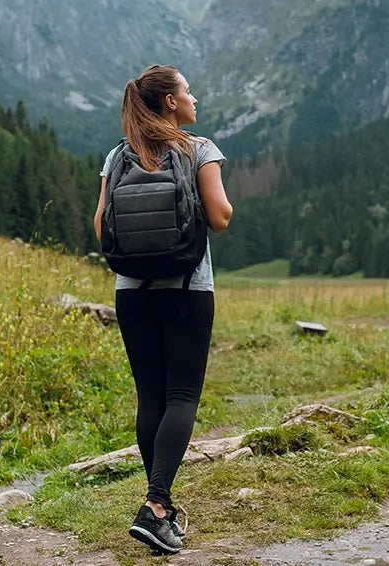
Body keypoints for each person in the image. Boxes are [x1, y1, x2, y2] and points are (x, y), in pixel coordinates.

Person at [92, 64, 233, 555]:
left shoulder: (118, 154)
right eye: (188, 91)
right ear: (170, 102)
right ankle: (155, 506)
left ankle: (162, 508)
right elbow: (219, 217)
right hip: (187, 287)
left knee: (150, 397)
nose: (195, 98)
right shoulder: (198, 149)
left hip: (131, 291)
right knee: (182, 395)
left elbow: (100, 226)